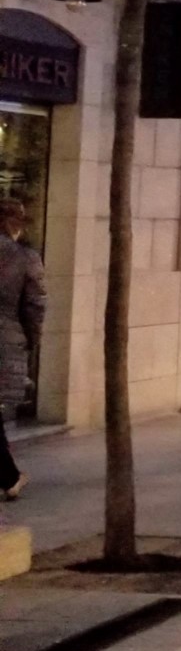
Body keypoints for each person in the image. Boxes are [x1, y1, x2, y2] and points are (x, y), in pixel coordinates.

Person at [0, 198, 45, 502]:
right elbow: (35, 306)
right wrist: (31, 339)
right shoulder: (25, 258)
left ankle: (9, 475)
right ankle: (9, 476)